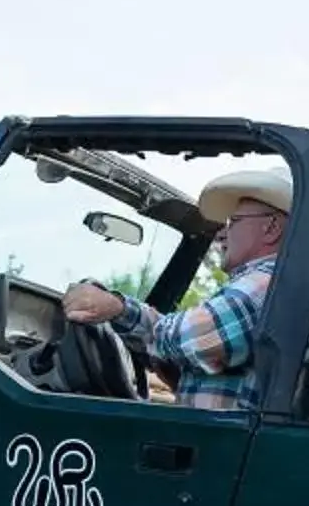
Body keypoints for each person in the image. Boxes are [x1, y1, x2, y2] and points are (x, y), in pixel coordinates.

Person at [59, 169, 287, 410]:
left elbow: (191, 337)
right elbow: (186, 344)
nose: (221, 233)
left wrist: (117, 308)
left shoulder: (268, 283)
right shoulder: (272, 285)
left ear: (271, 228)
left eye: (233, 222)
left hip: (219, 444)